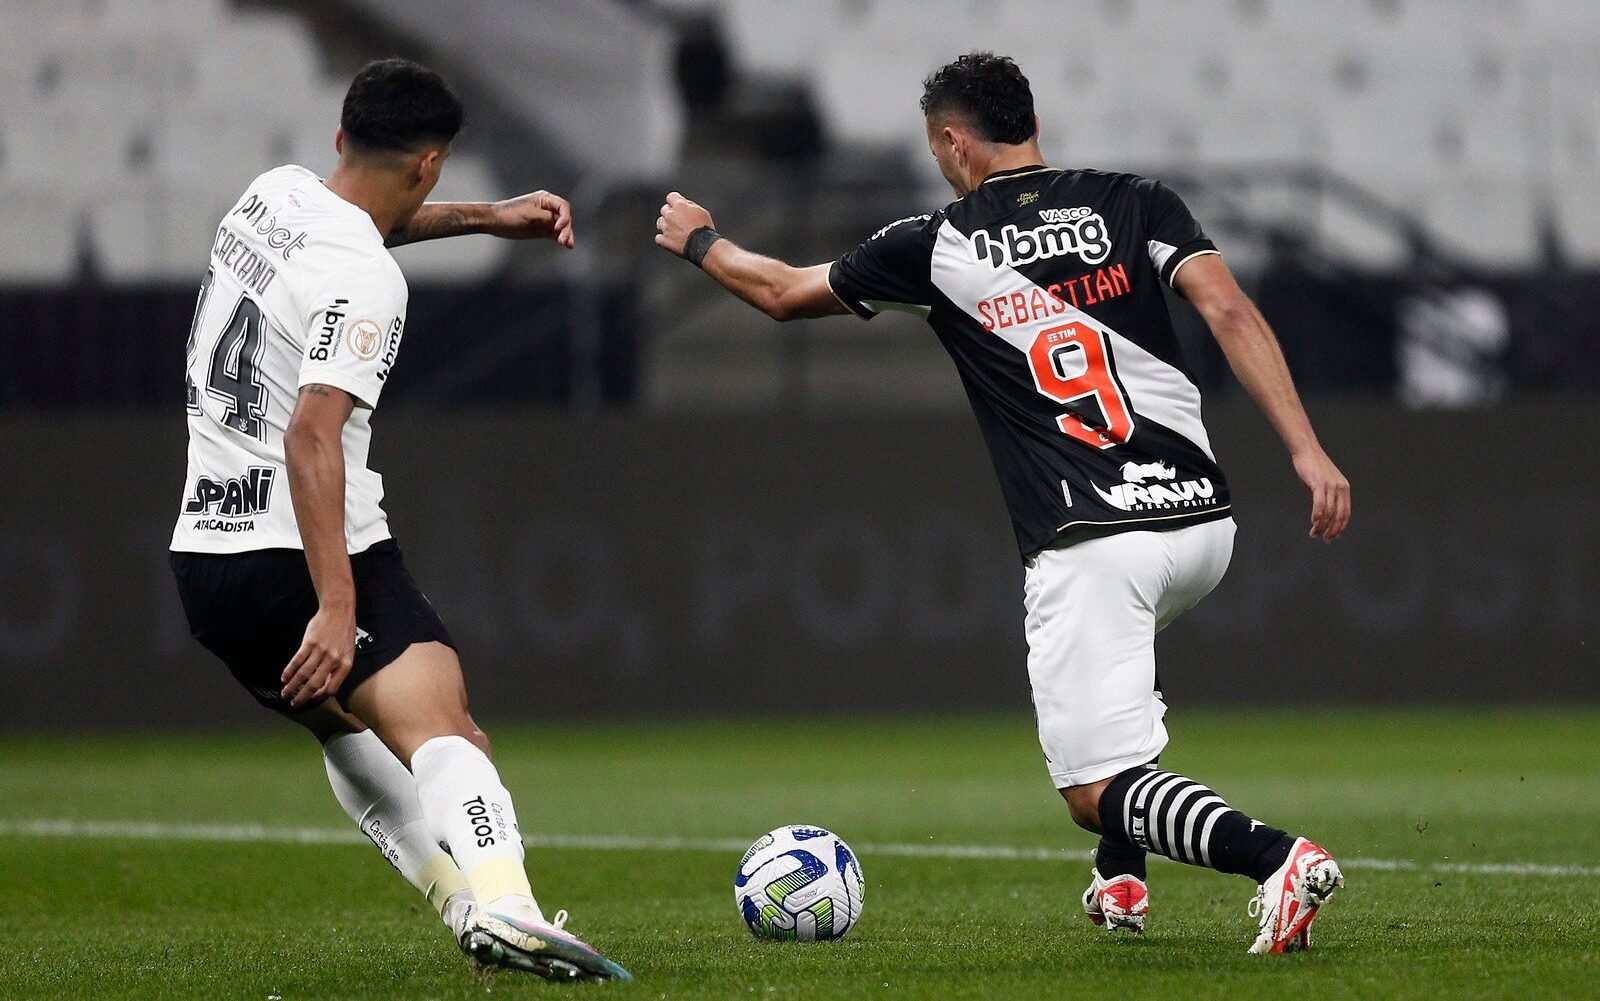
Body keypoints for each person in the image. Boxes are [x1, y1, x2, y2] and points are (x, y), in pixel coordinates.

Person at [655, 52, 1351, 954]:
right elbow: (1227, 310)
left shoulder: (935, 242)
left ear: (952, 141)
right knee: (1121, 701)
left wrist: (704, 241)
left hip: (1094, 536)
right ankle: (1121, 875)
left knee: (1090, 786)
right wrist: (1306, 448)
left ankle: (1278, 860)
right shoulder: (1137, 199)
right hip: (1202, 525)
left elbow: (784, 293)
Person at [169, 58, 629, 982]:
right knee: (447, 732)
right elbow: (310, 436)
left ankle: (467, 909)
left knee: (345, 727)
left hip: (207, 560)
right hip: (300, 550)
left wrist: (490, 219)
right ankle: (512, 908)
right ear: (431, 164)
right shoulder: (372, 281)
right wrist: (336, 605)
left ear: (342, 137)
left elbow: (362, 231)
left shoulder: (272, 197)